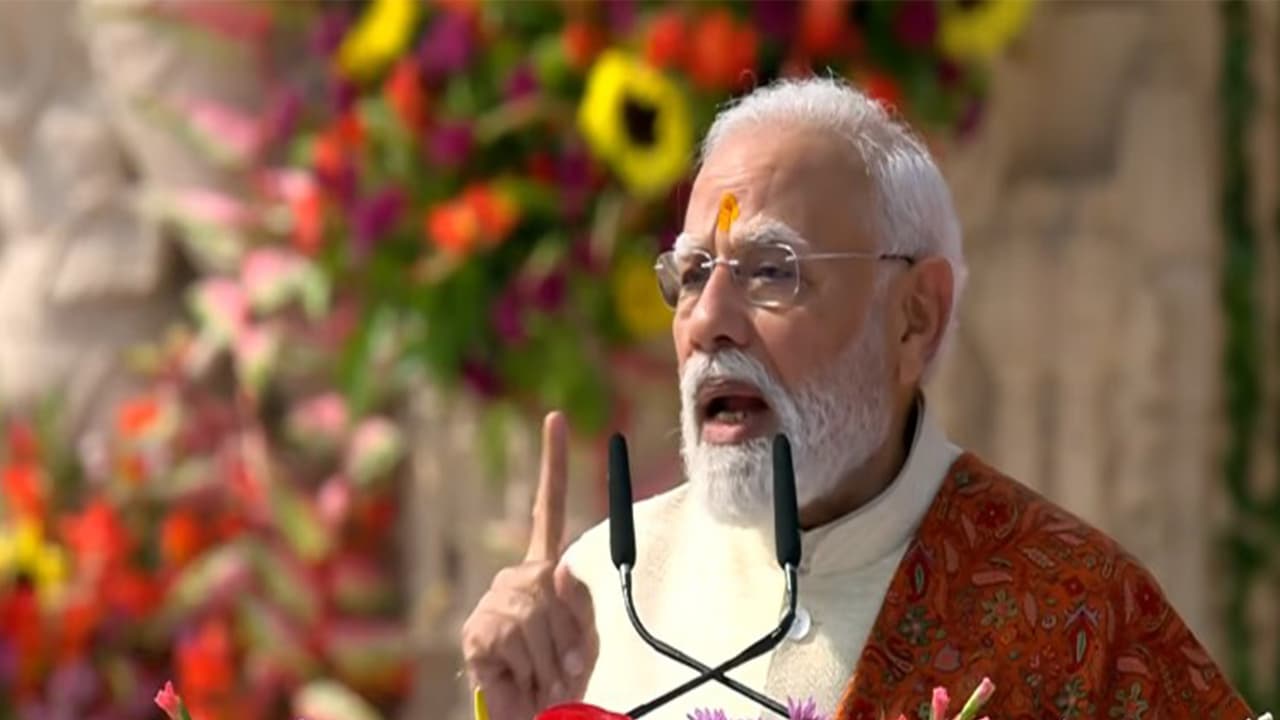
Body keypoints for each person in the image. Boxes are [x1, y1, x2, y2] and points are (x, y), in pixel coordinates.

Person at [459, 77, 1252, 720]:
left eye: (773, 270)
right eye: (693, 273)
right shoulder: (596, 594)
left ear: (914, 316)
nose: (706, 322)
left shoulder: (1073, 614)